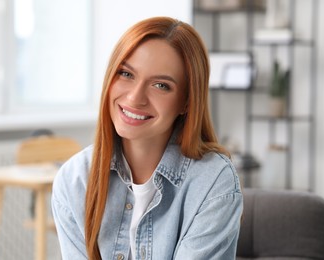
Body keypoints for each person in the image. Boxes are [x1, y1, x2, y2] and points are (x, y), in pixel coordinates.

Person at [51, 16, 243, 260]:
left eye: (161, 85)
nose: (134, 98)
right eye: (126, 74)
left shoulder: (212, 182)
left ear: (186, 101)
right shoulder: (75, 179)